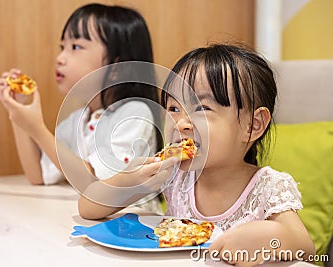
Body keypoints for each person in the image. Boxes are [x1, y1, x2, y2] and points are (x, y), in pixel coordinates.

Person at [78, 43, 316, 265]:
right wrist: (127, 180)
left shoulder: (268, 187)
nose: (180, 123)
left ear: (252, 125)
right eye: (173, 108)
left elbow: (306, 248)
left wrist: (272, 238)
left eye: (202, 108)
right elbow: (88, 208)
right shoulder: (172, 176)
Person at [0, 3, 162, 190]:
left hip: (130, 219)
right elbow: (38, 176)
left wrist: (37, 129)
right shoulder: (77, 121)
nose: (60, 58)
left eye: (75, 46)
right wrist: (18, 115)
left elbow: (93, 184)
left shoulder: (135, 114)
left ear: (116, 67)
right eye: (62, 47)